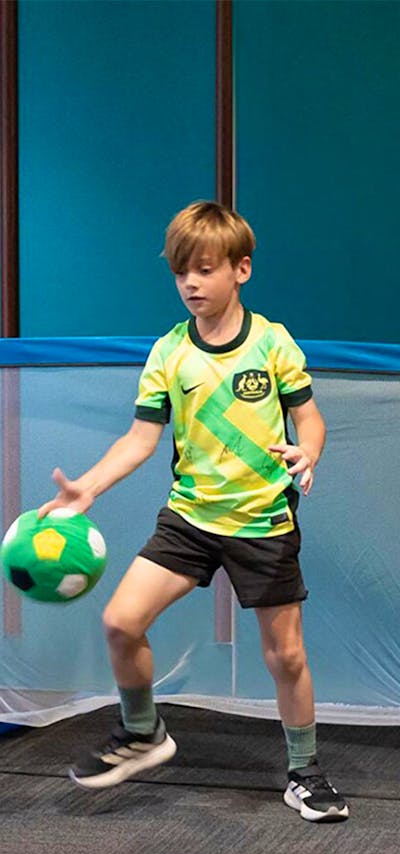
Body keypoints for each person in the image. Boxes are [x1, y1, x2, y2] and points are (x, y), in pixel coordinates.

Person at [39, 201, 349, 822]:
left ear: (242, 270)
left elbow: (308, 418)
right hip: (191, 519)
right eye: (182, 272)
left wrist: (307, 451)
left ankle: (305, 772)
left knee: (285, 656)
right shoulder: (168, 353)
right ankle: (143, 733)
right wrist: (89, 489)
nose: (190, 284)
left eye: (205, 270)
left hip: (262, 520)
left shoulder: (272, 342)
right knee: (121, 622)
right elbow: (140, 439)